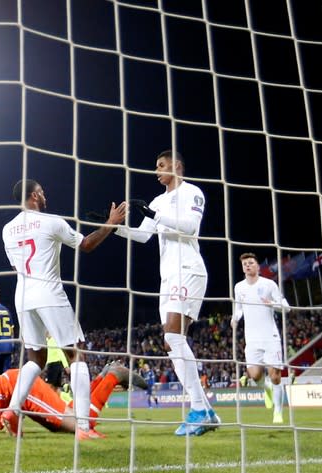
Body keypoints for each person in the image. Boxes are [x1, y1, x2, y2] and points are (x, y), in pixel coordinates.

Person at [1, 179, 127, 439]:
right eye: (43, 192)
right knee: (76, 354)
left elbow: (16, 267)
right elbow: (87, 245)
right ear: (35, 195)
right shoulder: (51, 222)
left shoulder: (7, 229)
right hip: (49, 291)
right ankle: (83, 427)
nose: (45, 196)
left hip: (22, 295)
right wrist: (111, 224)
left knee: (36, 359)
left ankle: (12, 411)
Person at [114, 150, 219, 436]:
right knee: (173, 342)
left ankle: (199, 409)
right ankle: (206, 410)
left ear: (177, 166)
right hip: (168, 276)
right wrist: (114, 228)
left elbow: (191, 227)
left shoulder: (192, 192)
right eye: (156, 166)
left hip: (189, 269)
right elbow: (144, 235)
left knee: (173, 336)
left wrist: (156, 215)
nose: (156, 170)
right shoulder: (158, 201)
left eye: (161, 166)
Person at [0, 363, 144, 435]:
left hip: (21, 390)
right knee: (64, 422)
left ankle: (113, 376)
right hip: (14, 391)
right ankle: (102, 380)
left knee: (82, 426)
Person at [231, 252, 290, 424]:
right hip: (252, 339)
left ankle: (278, 412)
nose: (247, 266)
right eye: (244, 264)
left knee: (275, 375)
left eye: (250, 263)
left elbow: (286, 307)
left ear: (257, 266)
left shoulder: (269, 284)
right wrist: (235, 318)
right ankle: (267, 389)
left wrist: (272, 304)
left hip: (270, 337)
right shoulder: (239, 287)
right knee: (255, 376)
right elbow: (238, 308)